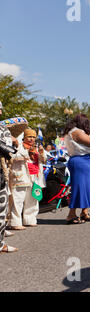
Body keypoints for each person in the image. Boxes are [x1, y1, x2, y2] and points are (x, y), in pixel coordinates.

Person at [64, 114, 90, 224]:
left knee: (86, 187)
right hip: (79, 161)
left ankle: (84, 212)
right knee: (79, 188)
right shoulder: (76, 131)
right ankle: (71, 214)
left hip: (84, 162)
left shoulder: (77, 131)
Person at [9, 128, 46, 230]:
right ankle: (15, 222)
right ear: (24, 137)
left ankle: (30, 220)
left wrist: (41, 153)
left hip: (35, 178)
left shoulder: (37, 148)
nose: (31, 139)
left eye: (33, 137)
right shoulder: (18, 146)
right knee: (18, 200)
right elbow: (13, 157)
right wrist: (27, 152)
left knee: (33, 200)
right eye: (29, 137)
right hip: (21, 176)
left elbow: (44, 161)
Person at [0, 101, 19, 253]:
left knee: (2, 209)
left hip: (2, 171)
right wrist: (9, 149)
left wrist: (14, 144)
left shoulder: (2, 128)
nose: (0, 112)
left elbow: (12, 149)